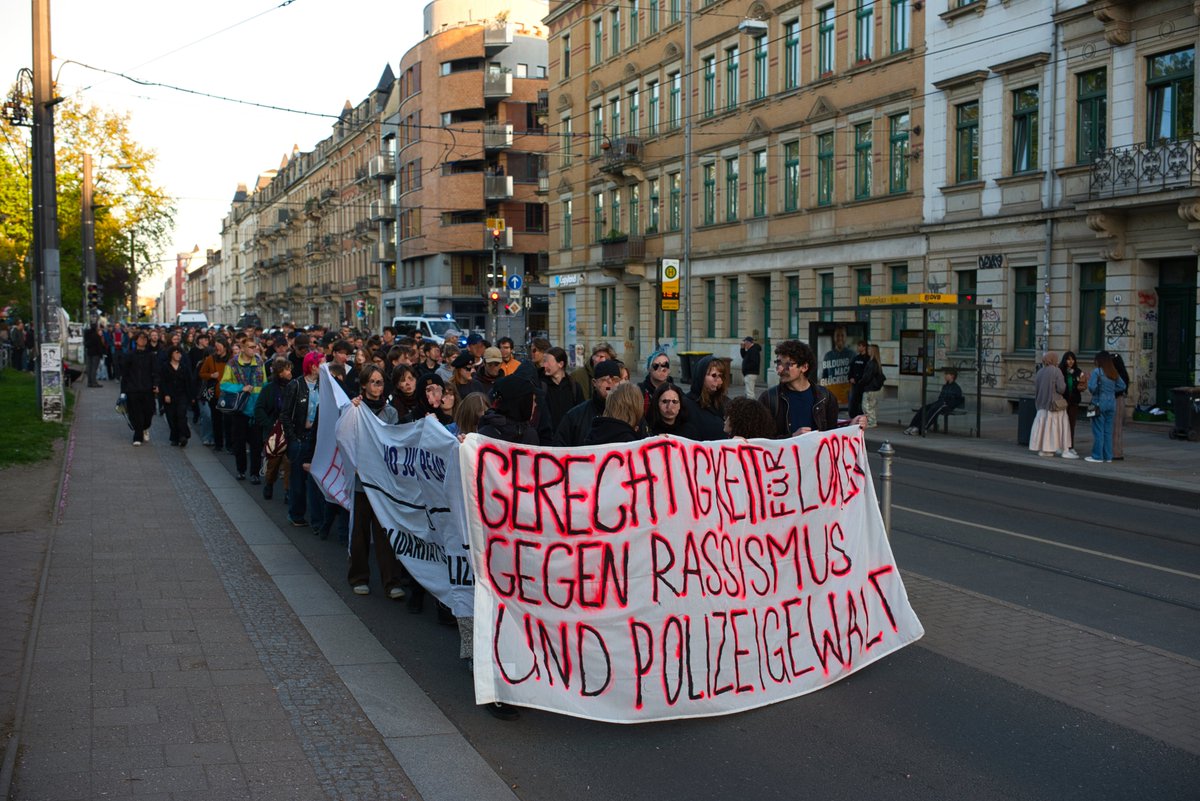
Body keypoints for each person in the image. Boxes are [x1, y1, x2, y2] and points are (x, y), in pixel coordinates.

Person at [346, 364, 405, 599]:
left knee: (385, 533)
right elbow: (347, 438)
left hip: (382, 483)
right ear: (363, 384)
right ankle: (359, 577)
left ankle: (391, 582)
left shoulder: (390, 412)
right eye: (372, 382)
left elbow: (395, 443)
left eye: (380, 382)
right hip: (361, 481)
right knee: (359, 532)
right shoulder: (355, 409)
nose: (377, 387)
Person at [759, 339, 839, 437]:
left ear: (804, 367)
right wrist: (792, 438)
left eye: (788, 364)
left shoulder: (825, 397)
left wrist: (853, 427)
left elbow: (833, 436)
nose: (780, 369)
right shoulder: (768, 398)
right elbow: (762, 440)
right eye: (779, 363)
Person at [283, 351, 326, 530]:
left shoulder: (324, 385)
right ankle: (296, 514)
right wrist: (293, 438)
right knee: (298, 480)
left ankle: (318, 520)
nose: (326, 367)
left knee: (317, 481)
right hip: (300, 438)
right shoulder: (296, 385)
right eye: (323, 363)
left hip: (317, 438)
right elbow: (285, 414)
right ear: (313, 366)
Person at [220, 337, 266, 482]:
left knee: (256, 444)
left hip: (255, 409)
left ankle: (255, 473)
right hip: (239, 409)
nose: (254, 350)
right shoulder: (232, 363)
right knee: (239, 443)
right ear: (243, 348)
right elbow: (224, 384)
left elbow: (264, 383)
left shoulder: (259, 362)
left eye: (256, 347)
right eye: (251, 347)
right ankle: (241, 470)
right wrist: (241, 388)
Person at [555, 359, 623, 446]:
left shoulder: (630, 414)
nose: (610, 384)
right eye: (604, 380)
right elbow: (559, 448)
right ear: (594, 383)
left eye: (615, 380)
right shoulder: (575, 417)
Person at [255, 358, 294, 500]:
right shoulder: (269, 389)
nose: (290, 372)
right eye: (287, 369)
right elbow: (259, 409)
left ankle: (287, 491)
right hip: (274, 432)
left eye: (290, 369)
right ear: (279, 372)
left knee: (289, 462)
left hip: (289, 430)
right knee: (274, 463)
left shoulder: (294, 386)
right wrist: (270, 425)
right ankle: (269, 483)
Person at [1029, 352, 1074, 458]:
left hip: (1042, 405)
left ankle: (1045, 449)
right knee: (1057, 427)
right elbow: (1061, 388)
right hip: (1055, 405)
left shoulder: (1040, 372)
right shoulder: (1056, 371)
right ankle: (1060, 448)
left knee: (1045, 428)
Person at [1086, 352, 1126, 463]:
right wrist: (1112, 392)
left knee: (1098, 430)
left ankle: (1097, 456)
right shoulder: (1113, 372)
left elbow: (1092, 388)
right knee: (1108, 432)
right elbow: (1122, 386)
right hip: (1111, 403)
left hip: (1097, 403)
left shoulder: (1097, 372)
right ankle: (1108, 456)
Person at [120, 331, 159, 446]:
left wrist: (156, 384)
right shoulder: (129, 355)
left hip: (147, 389)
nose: (143, 340)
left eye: (145, 339)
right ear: (136, 340)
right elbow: (125, 374)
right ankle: (137, 436)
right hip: (133, 389)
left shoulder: (151, 355)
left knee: (149, 413)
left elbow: (155, 371)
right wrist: (123, 391)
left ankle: (145, 427)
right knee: (136, 414)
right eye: (141, 338)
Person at [904, 368, 964, 435]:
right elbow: (940, 397)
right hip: (940, 403)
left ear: (952, 376)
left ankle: (922, 428)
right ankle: (913, 426)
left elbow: (956, 400)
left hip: (947, 405)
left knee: (934, 409)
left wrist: (946, 403)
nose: (945, 376)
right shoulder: (945, 386)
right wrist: (939, 402)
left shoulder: (956, 388)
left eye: (947, 374)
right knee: (924, 408)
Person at [685, 355, 731, 441]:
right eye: (714, 375)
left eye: (720, 376)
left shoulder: (726, 402)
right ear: (701, 376)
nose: (719, 380)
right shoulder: (686, 403)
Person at [539, 346, 583, 430]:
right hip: (547, 440)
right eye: (544, 362)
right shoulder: (541, 385)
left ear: (561, 364)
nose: (544, 365)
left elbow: (581, 416)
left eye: (548, 362)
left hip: (569, 440)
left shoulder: (574, 387)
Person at [160, 345, 195, 447]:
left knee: (181, 414)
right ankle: (175, 437)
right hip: (169, 395)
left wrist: (191, 396)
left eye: (180, 353)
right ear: (171, 354)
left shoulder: (184, 367)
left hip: (182, 394)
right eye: (176, 353)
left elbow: (189, 382)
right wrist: (165, 394)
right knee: (171, 416)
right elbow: (163, 382)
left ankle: (183, 435)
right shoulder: (165, 367)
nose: (178, 355)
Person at [199, 338, 230, 449]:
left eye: (219, 346)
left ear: (225, 347)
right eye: (216, 346)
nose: (217, 349)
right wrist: (211, 375)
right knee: (216, 420)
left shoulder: (232, 359)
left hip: (228, 395)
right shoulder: (210, 359)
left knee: (228, 421)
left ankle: (229, 444)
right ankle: (218, 444)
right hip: (215, 395)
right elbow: (202, 373)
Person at [1059, 351, 1085, 458]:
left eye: (1072, 359)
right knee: (1061, 424)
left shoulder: (1078, 371)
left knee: (1071, 424)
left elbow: (1081, 386)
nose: (1071, 361)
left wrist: (1081, 383)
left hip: (1074, 401)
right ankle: (1060, 445)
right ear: (1065, 360)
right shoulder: (1060, 371)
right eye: (1068, 359)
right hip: (1062, 402)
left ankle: (1070, 446)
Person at [1111, 352, 1130, 460]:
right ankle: (1117, 451)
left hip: (1116, 400)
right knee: (1117, 428)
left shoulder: (1116, 375)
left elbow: (1120, 387)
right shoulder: (1123, 374)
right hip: (1120, 400)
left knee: (1114, 427)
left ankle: (1115, 452)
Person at [860, 344, 884, 428]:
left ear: (873, 351)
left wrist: (860, 382)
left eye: (870, 350)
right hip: (875, 389)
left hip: (869, 388)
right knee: (871, 406)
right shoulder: (877, 363)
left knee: (866, 406)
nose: (868, 351)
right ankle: (872, 421)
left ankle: (871, 422)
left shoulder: (871, 363)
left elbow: (867, 377)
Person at [846, 340, 871, 418]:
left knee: (862, 401)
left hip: (863, 384)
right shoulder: (856, 358)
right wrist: (850, 378)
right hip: (854, 384)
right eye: (858, 346)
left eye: (860, 346)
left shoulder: (867, 359)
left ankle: (861, 415)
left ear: (864, 347)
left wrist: (859, 380)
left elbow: (866, 372)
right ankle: (853, 415)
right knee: (853, 400)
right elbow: (851, 369)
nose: (858, 348)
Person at [84, 322, 106, 387]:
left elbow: (86, 344)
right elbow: (99, 346)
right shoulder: (96, 336)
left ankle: (89, 382)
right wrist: (101, 354)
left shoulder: (87, 334)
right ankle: (94, 382)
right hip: (96, 354)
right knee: (94, 368)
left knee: (89, 368)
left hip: (89, 353)